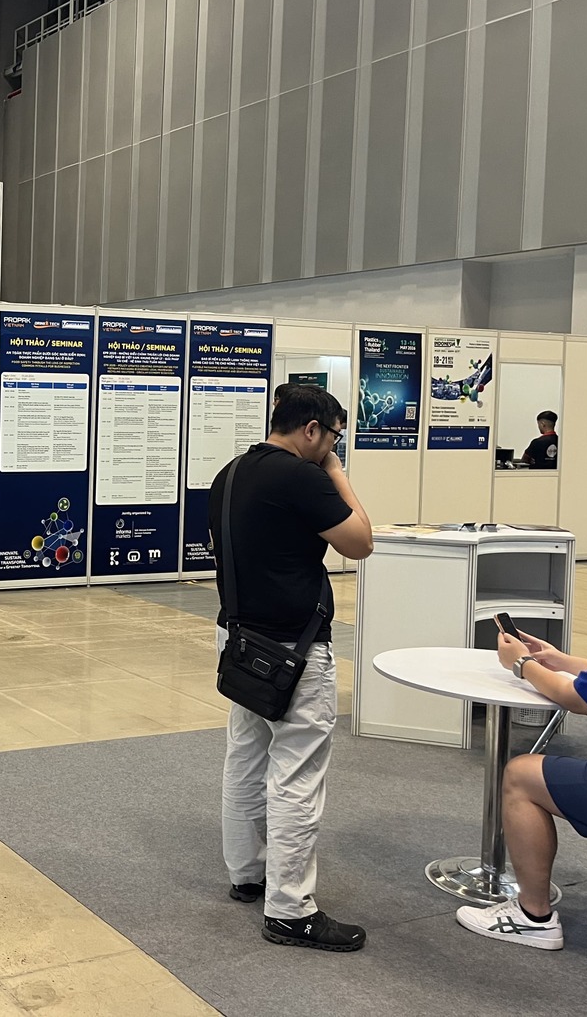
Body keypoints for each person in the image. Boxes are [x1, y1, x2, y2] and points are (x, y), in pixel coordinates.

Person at [209, 385, 373, 952]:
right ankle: (290, 910)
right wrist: (336, 472)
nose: (333, 448)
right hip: (293, 651)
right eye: (333, 437)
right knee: (297, 776)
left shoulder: (230, 472)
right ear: (311, 429)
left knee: (246, 756)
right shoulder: (303, 477)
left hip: (239, 641)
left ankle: (247, 873)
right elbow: (361, 541)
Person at [455, 531, 587, 950]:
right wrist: (557, 661)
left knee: (520, 775)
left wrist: (522, 665)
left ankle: (533, 916)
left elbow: (581, 701)